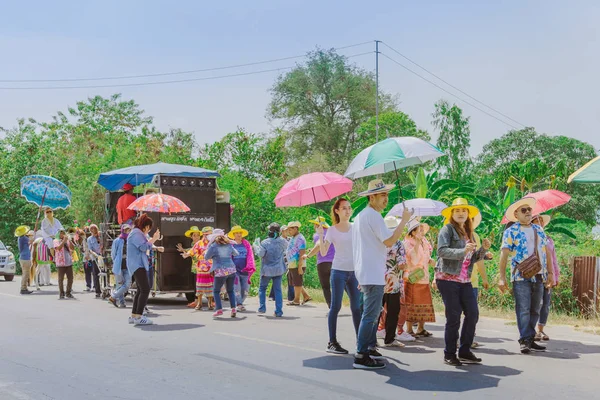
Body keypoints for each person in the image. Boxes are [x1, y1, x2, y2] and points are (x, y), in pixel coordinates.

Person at [352, 179, 412, 370]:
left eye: (387, 194)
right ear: (371, 197)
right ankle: (361, 355)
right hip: (373, 272)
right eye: (382, 195)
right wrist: (404, 220)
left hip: (365, 270)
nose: (386, 198)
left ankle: (368, 348)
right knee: (370, 315)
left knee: (372, 313)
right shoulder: (374, 216)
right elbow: (390, 241)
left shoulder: (361, 216)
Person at [436, 198, 490, 366]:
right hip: (447, 278)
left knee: (473, 313)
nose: (461, 213)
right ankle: (449, 353)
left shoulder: (470, 233)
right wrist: (462, 250)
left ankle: (465, 351)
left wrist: (483, 250)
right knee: (454, 317)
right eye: (457, 211)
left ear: (468, 215)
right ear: (452, 214)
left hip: (465, 279)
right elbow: (441, 251)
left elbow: (471, 258)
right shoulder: (447, 230)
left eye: (464, 211)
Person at [498, 198, 554, 354]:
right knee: (523, 309)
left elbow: (547, 252)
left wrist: (550, 273)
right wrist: (501, 277)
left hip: (539, 275)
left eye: (529, 209)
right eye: (524, 210)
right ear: (516, 214)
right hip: (520, 276)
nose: (528, 212)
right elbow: (504, 255)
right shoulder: (511, 231)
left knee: (536, 308)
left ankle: (530, 338)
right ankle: (524, 340)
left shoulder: (539, 230)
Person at [317, 198, 361, 354]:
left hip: (354, 272)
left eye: (349, 208)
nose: (348, 211)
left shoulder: (356, 227)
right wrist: (321, 235)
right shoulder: (332, 230)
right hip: (338, 271)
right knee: (335, 307)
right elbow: (323, 252)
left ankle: (360, 343)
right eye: (344, 208)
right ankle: (332, 342)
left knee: (357, 308)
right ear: (337, 211)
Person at [402, 218, 436, 338]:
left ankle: (421, 328)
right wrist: (416, 243)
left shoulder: (424, 242)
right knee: (411, 303)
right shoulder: (407, 243)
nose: (422, 232)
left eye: (422, 229)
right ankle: (409, 329)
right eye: (419, 229)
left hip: (424, 276)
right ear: (412, 232)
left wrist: (430, 260)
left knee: (424, 302)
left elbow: (426, 256)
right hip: (413, 277)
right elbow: (414, 259)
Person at [379, 216, 408, 348]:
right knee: (393, 310)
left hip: (378, 278)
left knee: (376, 309)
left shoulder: (379, 240)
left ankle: (370, 338)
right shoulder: (398, 243)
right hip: (393, 281)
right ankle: (389, 338)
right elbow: (402, 264)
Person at [127, 214, 161, 326]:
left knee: (140, 290)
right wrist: (154, 239)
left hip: (136, 264)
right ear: (145, 226)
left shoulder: (137, 233)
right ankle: (139, 316)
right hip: (137, 264)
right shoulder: (137, 233)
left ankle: (134, 315)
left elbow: (144, 244)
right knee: (145, 289)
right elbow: (143, 247)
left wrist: (152, 239)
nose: (149, 230)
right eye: (149, 227)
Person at [254, 223, 288, 317]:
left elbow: (261, 254)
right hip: (278, 269)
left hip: (266, 270)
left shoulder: (265, 242)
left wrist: (256, 246)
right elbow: (286, 250)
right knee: (278, 290)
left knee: (262, 288)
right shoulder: (283, 242)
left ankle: (262, 308)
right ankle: (278, 311)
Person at [534, 214, 559, 341]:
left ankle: (541, 330)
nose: (540, 223)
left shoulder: (549, 239)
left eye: (542, 221)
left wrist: (555, 276)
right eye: (537, 221)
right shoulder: (530, 239)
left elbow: (553, 259)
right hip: (534, 275)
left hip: (547, 275)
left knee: (546, 303)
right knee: (535, 304)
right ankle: (531, 331)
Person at [205, 229, 239, 318]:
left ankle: (219, 309)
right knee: (230, 290)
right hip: (231, 269)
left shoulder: (213, 246)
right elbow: (236, 253)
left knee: (216, 291)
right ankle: (233, 309)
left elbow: (206, 257)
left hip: (220, 271)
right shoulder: (229, 245)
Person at [470, 213, 491, 348]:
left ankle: (469, 338)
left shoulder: (476, 236)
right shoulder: (451, 235)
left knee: (472, 312)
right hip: (455, 280)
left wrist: (484, 278)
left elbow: (479, 260)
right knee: (455, 314)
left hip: (472, 281)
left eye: (471, 219)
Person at [182, 226, 215, 310]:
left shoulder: (213, 244)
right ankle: (199, 304)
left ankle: (210, 303)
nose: (208, 236)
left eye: (210, 235)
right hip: (200, 269)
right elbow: (192, 250)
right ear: (203, 235)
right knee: (199, 287)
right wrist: (187, 254)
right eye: (207, 235)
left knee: (210, 287)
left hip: (210, 269)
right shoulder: (199, 243)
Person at [306, 217, 334, 309]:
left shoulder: (318, 234)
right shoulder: (331, 233)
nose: (314, 226)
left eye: (315, 224)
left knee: (326, 286)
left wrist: (308, 255)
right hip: (334, 262)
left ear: (318, 225)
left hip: (323, 263)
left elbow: (318, 245)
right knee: (341, 284)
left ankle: (331, 306)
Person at [228, 225, 256, 312]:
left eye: (240, 233)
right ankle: (239, 304)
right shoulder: (231, 245)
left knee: (245, 289)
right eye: (237, 233)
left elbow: (250, 255)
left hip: (245, 270)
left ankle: (240, 302)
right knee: (237, 288)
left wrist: (250, 266)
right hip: (234, 270)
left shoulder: (246, 243)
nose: (239, 234)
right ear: (233, 234)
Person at [177, 226, 203, 307]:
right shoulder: (193, 244)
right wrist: (183, 250)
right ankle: (197, 301)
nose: (196, 237)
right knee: (196, 285)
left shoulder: (201, 244)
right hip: (195, 268)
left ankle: (209, 300)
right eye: (194, 235)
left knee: (205, 284)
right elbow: (191, 250)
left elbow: (193, 251)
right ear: (191, 237)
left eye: (198, 235)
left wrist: (184, 250)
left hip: (203, 268)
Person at [286, 221, 311, 305]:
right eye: (288, 230)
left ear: (296, 228)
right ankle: (306, 295)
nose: (289, 232)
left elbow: (302, 252)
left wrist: (300, 266)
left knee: (297, 282)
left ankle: (296, 300)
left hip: (297, 264)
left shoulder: (300, 238)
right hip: (292, 264)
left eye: (290, 230)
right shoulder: (294, 237)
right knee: (295, 281)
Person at [108, 224, 132, 308]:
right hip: (119, 265)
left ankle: (113, 296)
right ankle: (122, 302)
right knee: (120, 284)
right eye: (126, 230)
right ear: (122, 230)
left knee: (128, 284)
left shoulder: (130, 240)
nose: (127, 232)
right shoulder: (117, 240)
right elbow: (113, 254)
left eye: (129, 230)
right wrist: (116, 261)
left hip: (128, 265)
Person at [54, 229, 75, 300]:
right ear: (59, 234)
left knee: (71, 279)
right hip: (61, 263)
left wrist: (70, 240)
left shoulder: (67, 241)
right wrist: (64, 241)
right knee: (61, 279)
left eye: (64, 233)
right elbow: (58, 248)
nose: (63, 235)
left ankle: (68, 292)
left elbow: (73, 248)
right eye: (61, 233)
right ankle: (61, 293)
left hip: (68, 262)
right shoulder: (56, 241)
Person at [15, 226, 33, 295]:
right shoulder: (24, 238)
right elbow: (31, 241)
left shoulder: (20, 238)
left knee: (25, 274)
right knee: (26, 274)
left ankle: (24, 288)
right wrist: (31, 236)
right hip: (25, 258)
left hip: (22, 258)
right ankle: (23, 288)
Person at [87, 224, 103, 298]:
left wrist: (99, 238)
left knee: (104, 273)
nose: (93, 230)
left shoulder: (101, 235)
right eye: (91, 229)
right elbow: (90, 249)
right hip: (95, 258)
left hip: (102, 256)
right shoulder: (89, 239)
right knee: (96, 274)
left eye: (94, 228)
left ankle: (106, 287)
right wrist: (95, 255)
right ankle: (98, 291)